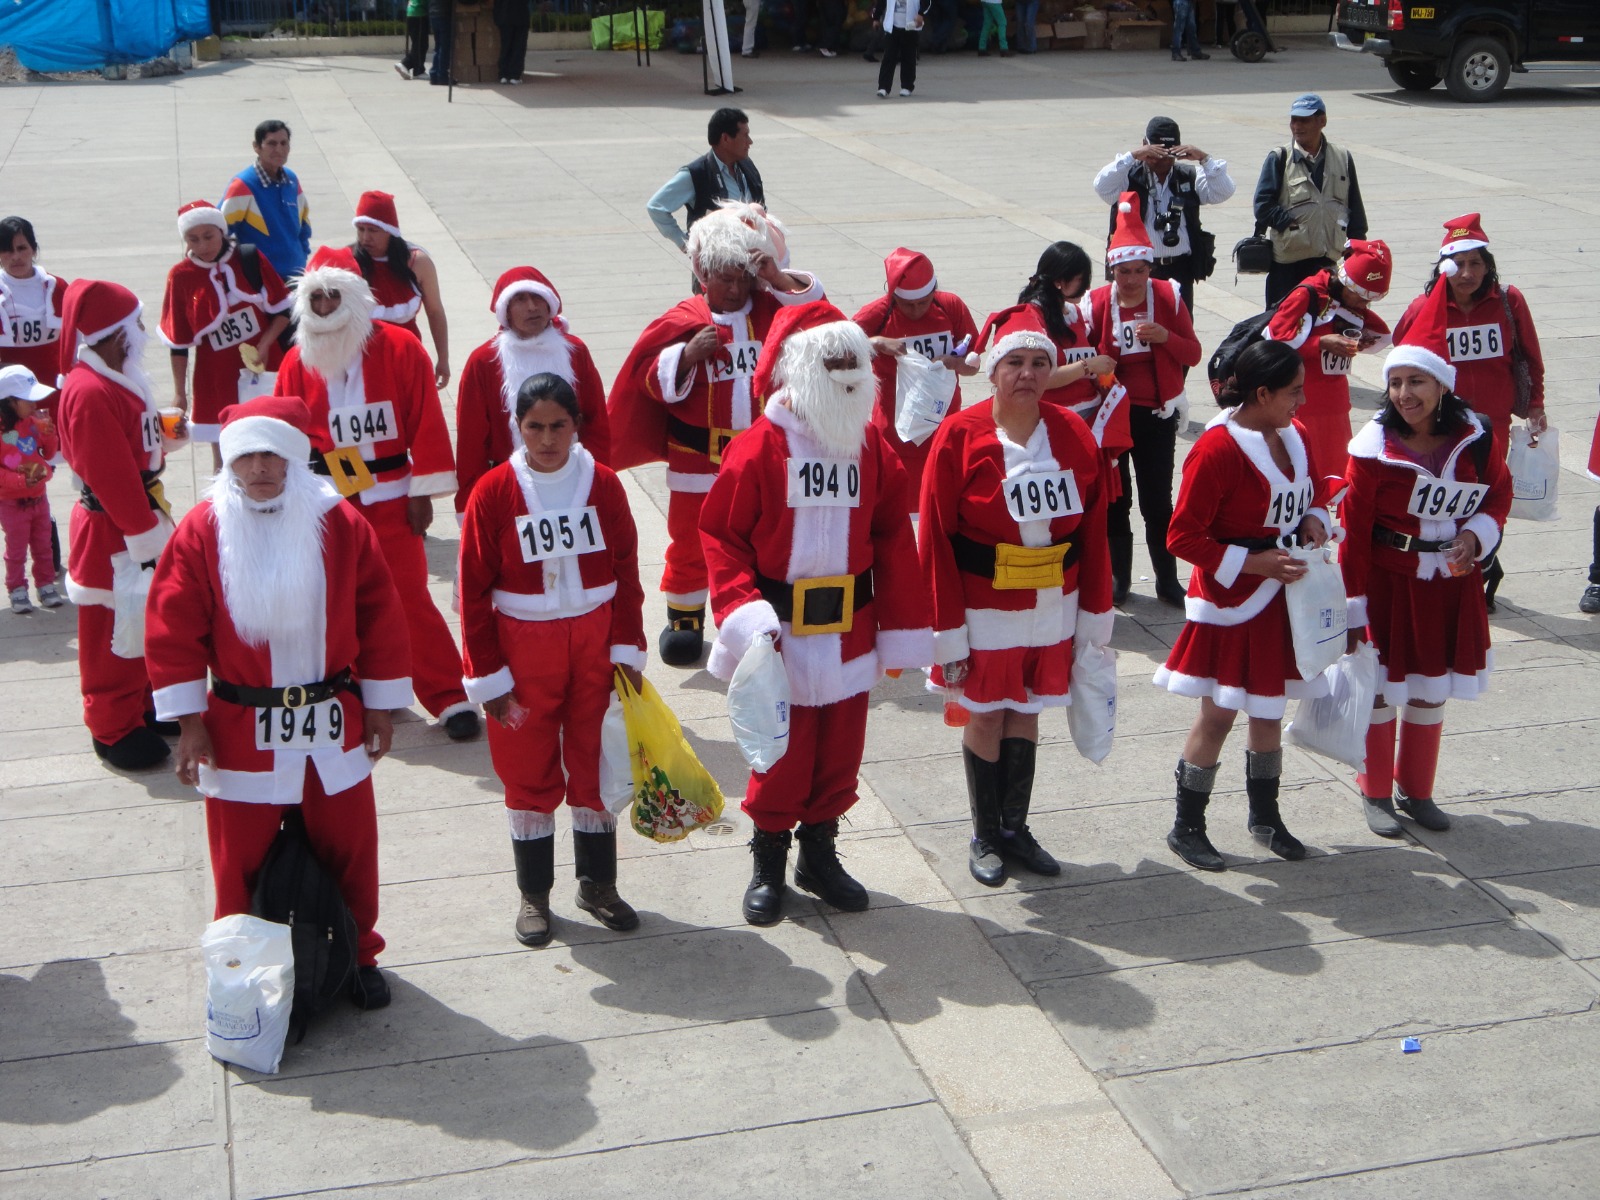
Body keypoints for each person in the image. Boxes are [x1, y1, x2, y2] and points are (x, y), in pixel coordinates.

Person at [146, 395, 410, 1011]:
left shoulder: (339, 521)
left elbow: (380, 612)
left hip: (330, 717)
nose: (259, 469)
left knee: (349, 845)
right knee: (238, 856)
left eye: (272, 454)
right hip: (241, 723)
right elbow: (172, 627)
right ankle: (239, 970)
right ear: (230, 462)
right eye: (246, 456)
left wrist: (379, 705)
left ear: (294, 458)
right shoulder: (203, 527)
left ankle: (360, 955)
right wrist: (189, 724)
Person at [699, 301, 932, 923]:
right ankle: (768, 864)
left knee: (838, 755)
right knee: (780, 754)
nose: (850, 376)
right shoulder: (756, 450)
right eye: (834, 364)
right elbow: (721, 538)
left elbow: (891, 536)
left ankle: (820, 857)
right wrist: (744, 614)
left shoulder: (872, 450)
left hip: (851, 632)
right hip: (780, 637)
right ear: (798, 371)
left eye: (856, 363)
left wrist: (903, 631)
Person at [921, 304, 1113, 886]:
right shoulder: (959, 435)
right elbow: (933, 534)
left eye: (1037, 363)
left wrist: (1095, 613)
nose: (1026, 374)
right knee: (985, 714)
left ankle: (1014, 828)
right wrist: (946, 629)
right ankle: (983, 834)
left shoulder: (1074, 432)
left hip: (1052, 606)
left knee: (1027, 711)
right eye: (1014, 363)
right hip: (985, 610)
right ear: (993, 371)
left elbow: (1095, 528)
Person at [459, 373, 646, 947]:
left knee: (596, 762)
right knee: (527, 767)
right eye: (534, 426)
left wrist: (627, 652)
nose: (546, 439)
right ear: (517, 427)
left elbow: (627, 572)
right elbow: (471, 591)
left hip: (594, 642)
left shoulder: (605, 486)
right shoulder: (493, 493)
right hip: (523, 648)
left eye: (558, 426)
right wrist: (487, 676)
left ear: (576, 426)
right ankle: (534, 896)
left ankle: (598, 885)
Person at [273, 246, 479, 740]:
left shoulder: (401, 349)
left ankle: (448, 695)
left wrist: (423, 492)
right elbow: (281, 432)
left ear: (353, 297)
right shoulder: (297, 360)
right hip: (325, 501)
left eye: (332, 296)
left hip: (391, 495)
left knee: (408, 596)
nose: (324, 307)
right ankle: (359, 692)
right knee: (337, 599)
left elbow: (426, 422)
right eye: (315, 298)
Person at [608, 207, 823, 666]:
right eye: (726, 279)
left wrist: (776, 276)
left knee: (762, 537)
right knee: (688, 540)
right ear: (703, 274)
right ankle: (685, 619)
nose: (736, 288)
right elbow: (648, 379)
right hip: (696, 458)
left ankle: (757, 616)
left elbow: (820, 318)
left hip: (762, 458)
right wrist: (684, 357)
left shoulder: (771, 311)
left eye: (743, 278)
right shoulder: (684, 318)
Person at [1154, 340, 1334, 871]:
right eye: (1294, 392)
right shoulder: (1216, 450)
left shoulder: (1295, 435)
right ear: (1262, 393)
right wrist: (1254, 564)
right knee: (1219, 714)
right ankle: (1187, 825)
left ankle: (1266, 816)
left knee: (1268, 711)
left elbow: (1317, 491)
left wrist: (1316, 519)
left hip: (1283, 599)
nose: (1302, 401)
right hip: (1233, 604)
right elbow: (1182, 536)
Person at [1341, 281, 1510, 838]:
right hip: (1390, 584)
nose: (1403, 394)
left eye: (1416, 381)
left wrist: (1476, 537)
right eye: (1394, 382)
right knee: (1383, 691)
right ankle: (1375, 793)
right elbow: (1354, 532)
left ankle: (1419, 791)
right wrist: (1353, 607)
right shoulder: (1371, 449)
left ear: (1442, 385)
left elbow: (1498, 492)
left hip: (1449, 584)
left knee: (1430, 690)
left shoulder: (1475, 436)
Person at [1393, 214, 1545, 611]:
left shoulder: (1509, 301)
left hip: (1492, 425)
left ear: (1487, 265)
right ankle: (1465, 570)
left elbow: (1530, 357)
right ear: (1444, 267)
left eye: (1476, 263)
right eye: (1459, 264)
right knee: (1454, 499)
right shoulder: (1423, 308)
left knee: (1491, 495)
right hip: (1442, 427)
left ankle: (1484, 562)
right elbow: (1402, 357)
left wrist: (1536, 405)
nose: (1467, 273)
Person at [54, 280, 174, 770]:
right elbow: (110, 474)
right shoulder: (89, 391)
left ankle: (143, 704)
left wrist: (167, 431)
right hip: (114, 526)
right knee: (112, 629)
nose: (143, 331)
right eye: (137, 324)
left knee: (142, 619)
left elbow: (133, 442)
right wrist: (141, 530)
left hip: (137, 516)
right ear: (118, 333)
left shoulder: (116, 376)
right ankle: (113, 725)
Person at [1088, 194, 1202, 607]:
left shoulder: (1168, 297)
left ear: (1149, 268)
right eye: (1123, 271)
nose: (1131, 280)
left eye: (1138, 270)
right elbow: (1090, 366)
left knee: (1158, 501)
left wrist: (1166, 337)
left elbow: (1194, 354)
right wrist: (1108, 363)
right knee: (1117, 501)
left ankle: (1167, 580)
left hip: (1156, 414)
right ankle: (1120, 579)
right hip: (1113, 417)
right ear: (1112, 269)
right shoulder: (1098, 304)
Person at [454, 268, 611, 520]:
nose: (531, 307)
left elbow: (596, 423)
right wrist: (471, 502)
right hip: (509, 486)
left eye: (537, 298)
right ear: (505, 310)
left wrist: (598, 481)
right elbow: (471, 442)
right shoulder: (483, 361)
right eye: (520, 299)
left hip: (573, 481)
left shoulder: (575, 351)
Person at [1263, 238, 1392, 500]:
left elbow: (1377, 329)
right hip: (1302, 404)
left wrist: (1362, 341)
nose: (1365, 304)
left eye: (1371, 298)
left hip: (1336, 405)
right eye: (1362, 295)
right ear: (1347, 283)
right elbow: (1276, 339)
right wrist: (1320, 343)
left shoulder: (1349, 302)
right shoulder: (1308, 293)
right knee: (1301, 474)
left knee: (1338, 479)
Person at [160, 200, 291, 449]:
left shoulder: (249, 258)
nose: (203, 246)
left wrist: (264, 345)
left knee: (272, 440)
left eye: (208, 236)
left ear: (221, 231)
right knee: (224, 447)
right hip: (216, 373)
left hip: (264, 364)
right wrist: (180, 392)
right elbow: (178, 342)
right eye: (193, 239)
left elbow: (283, 310)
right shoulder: (180, 276)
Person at [852, 248, 978, 505]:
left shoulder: (950, 306)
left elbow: (973, 365)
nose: (916, 310)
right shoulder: (877, 314)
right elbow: (839, 351)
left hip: (944, 426)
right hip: (896, 433)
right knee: (895, 507)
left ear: (934, 292)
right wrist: (876, 343)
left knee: (941, 504)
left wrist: (955, 362)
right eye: (907, 305)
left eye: (924, 302)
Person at [1092, 116, 1234, 314]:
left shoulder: (1188, 176)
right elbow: (1101, 186)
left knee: (1178, 331)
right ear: (1145, 145)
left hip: (1179, 269)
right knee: (1138, 326)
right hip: (1138, 270)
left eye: (1167, 154)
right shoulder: (1128, 177)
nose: (1161, 160)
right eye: (1154, 152)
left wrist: (1205, 159)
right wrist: (1132, 156)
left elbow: (1223, 191)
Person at [1254, 95, 1369, 309]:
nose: (1296, 126)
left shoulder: (1342, 157)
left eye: (1304, 120)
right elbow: (1262, 205)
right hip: (1287, 263)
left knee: (1323, 321)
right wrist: (1291, 224)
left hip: (1326, 261)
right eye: (1293, 120)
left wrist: (1358, 248)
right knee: (1283, 326)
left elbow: (1354, 206)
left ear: (1322, 121)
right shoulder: (1279, 158)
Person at [1014, 242, 1121, 460]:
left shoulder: (1074, 313)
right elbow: (1039, 377)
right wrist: (1088, 366)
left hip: (1089, 419)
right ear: (1059, 282)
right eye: (1080, 279)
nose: (1086, 286)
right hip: (1052, 425)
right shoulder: (1031, 318)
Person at [349, 191, 451, 390]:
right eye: (361, 229)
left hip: (407, 357)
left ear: (390, 231)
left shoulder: (418, 263)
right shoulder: (348, 261)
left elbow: (435, 312)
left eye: (373, 230)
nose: (365, 237)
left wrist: (443, 358)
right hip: (361, 362)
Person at [646, 109, 764, 252]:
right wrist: (686, 245)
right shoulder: (696, 174)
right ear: (725, 138)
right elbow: (656, 207)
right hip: (716, 269)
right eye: (745, 136)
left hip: (754, 263)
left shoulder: (747, 166)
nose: (750, 142)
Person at [220, 120, 313, 284]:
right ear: (256, 147)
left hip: (296, 278)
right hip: (261, 282)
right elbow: (219, 231)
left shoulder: (291, 180)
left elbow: (303, 226)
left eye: (284, 143)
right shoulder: (243, 185)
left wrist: (302, 255)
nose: (279, 149)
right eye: (271, 143)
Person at [1, 365, 62, 613]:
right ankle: (17, 588)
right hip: (12, 502)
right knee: (16, 548)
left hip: (38, 496)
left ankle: (46, 584)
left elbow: (48, 454)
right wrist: (19, 482)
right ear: (10, 402)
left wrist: (49, 434)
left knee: (43, 544)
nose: (35, 405)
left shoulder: (34, 424)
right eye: (29, 400)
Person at [0, 216, 71, 407]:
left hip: (54, 388)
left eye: (22, 248)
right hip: (12, 397)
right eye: (7, 250)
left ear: (33, 249)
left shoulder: (57, 287)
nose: (16, 256)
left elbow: (77, 339)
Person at [873, 0, 925, 95]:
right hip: (893, 26)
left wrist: (921, 14)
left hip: (910, 26)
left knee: (908, 57)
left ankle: (907, 86)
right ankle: (883, 87)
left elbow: (927, 2)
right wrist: (876, 18)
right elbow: (881, 2)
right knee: (888, 57)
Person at [493, 0, 529, 83]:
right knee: (518, 46)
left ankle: (503, 74)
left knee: (505, 46)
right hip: (520, 14)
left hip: (504, 14)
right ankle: (514, 75)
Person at [396, 0, 429, 78]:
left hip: (411, 12)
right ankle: (417, 69)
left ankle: (407, 65)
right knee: (421, 44)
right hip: (419, 14)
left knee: (417, 43)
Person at [429, 0, 454, 86]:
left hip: (433, 13)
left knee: (438, 46)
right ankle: (442, 76)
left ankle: (434, 75)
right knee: (444, 47)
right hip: (444, 14)